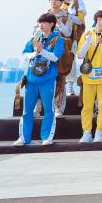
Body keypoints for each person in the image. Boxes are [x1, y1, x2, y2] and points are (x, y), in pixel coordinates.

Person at [14, 13, 65, 146]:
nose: (40, 25)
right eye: (40, 22)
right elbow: (24, 54)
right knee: (27, 110)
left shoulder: (57, 39)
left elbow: (55, 57)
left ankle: (46, 137)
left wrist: (42, 52)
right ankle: (24, 138)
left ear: (51, 24)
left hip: (48, 80)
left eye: (44, 22)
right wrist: (35, 53)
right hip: (31, 80)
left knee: (48, 109)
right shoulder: (35, 39)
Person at [77, 11, 102, 143]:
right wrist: (87, 43)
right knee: (87, 106)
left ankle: (99, 131)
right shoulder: (87, 34)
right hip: (89, 77)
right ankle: (87, 132)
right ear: (98, 19)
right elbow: (80, 55)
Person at [57, 0, 85, 96]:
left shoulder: (77, 2)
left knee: (71, 58)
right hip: (61, 36)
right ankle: (60, 85)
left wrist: (69, 16)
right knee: (60, 59)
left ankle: (70, 85)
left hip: (74, 35)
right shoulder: (58, 3)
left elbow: (81, 20)